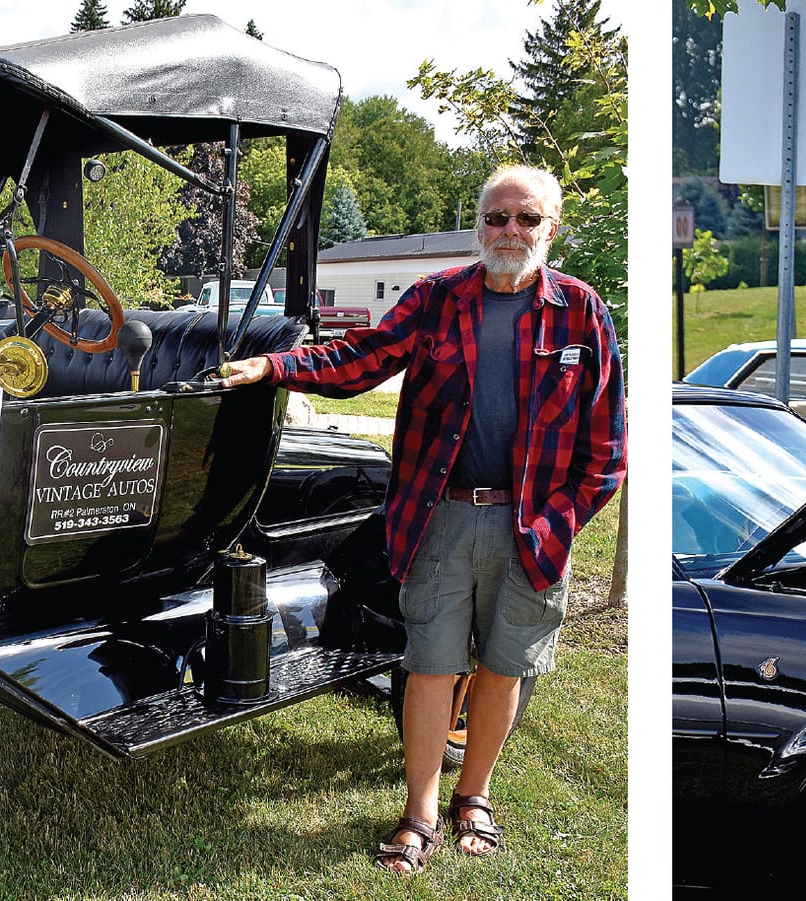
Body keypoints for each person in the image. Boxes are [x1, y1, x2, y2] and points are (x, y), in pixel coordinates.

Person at [219, 164, 624, 875]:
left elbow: (608, 446)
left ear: (551, 229)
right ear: (478, 226)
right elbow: (362, 357)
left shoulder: (582, 314)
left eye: (527, 219)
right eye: (497, 218)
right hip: (441, 516)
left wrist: (563, 522)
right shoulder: (439, 299)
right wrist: (275, 367)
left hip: (534, 526)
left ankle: (477, 796)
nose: (510, 231)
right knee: (431, 665)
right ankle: (421, 810)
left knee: (504, 668)